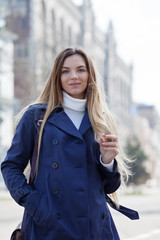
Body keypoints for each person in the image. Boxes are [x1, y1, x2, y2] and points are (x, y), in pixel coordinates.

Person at [1, 47, 134, 240]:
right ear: (57, 76)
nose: (74, 76)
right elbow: (10, 166)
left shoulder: (101, 119)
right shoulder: (37, 117)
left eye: (81, 70)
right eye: (65, 71)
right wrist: (35, 204)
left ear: (90, 75)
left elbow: (110, 186)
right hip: (49, 226)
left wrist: (107, 162)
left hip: (95, 227)